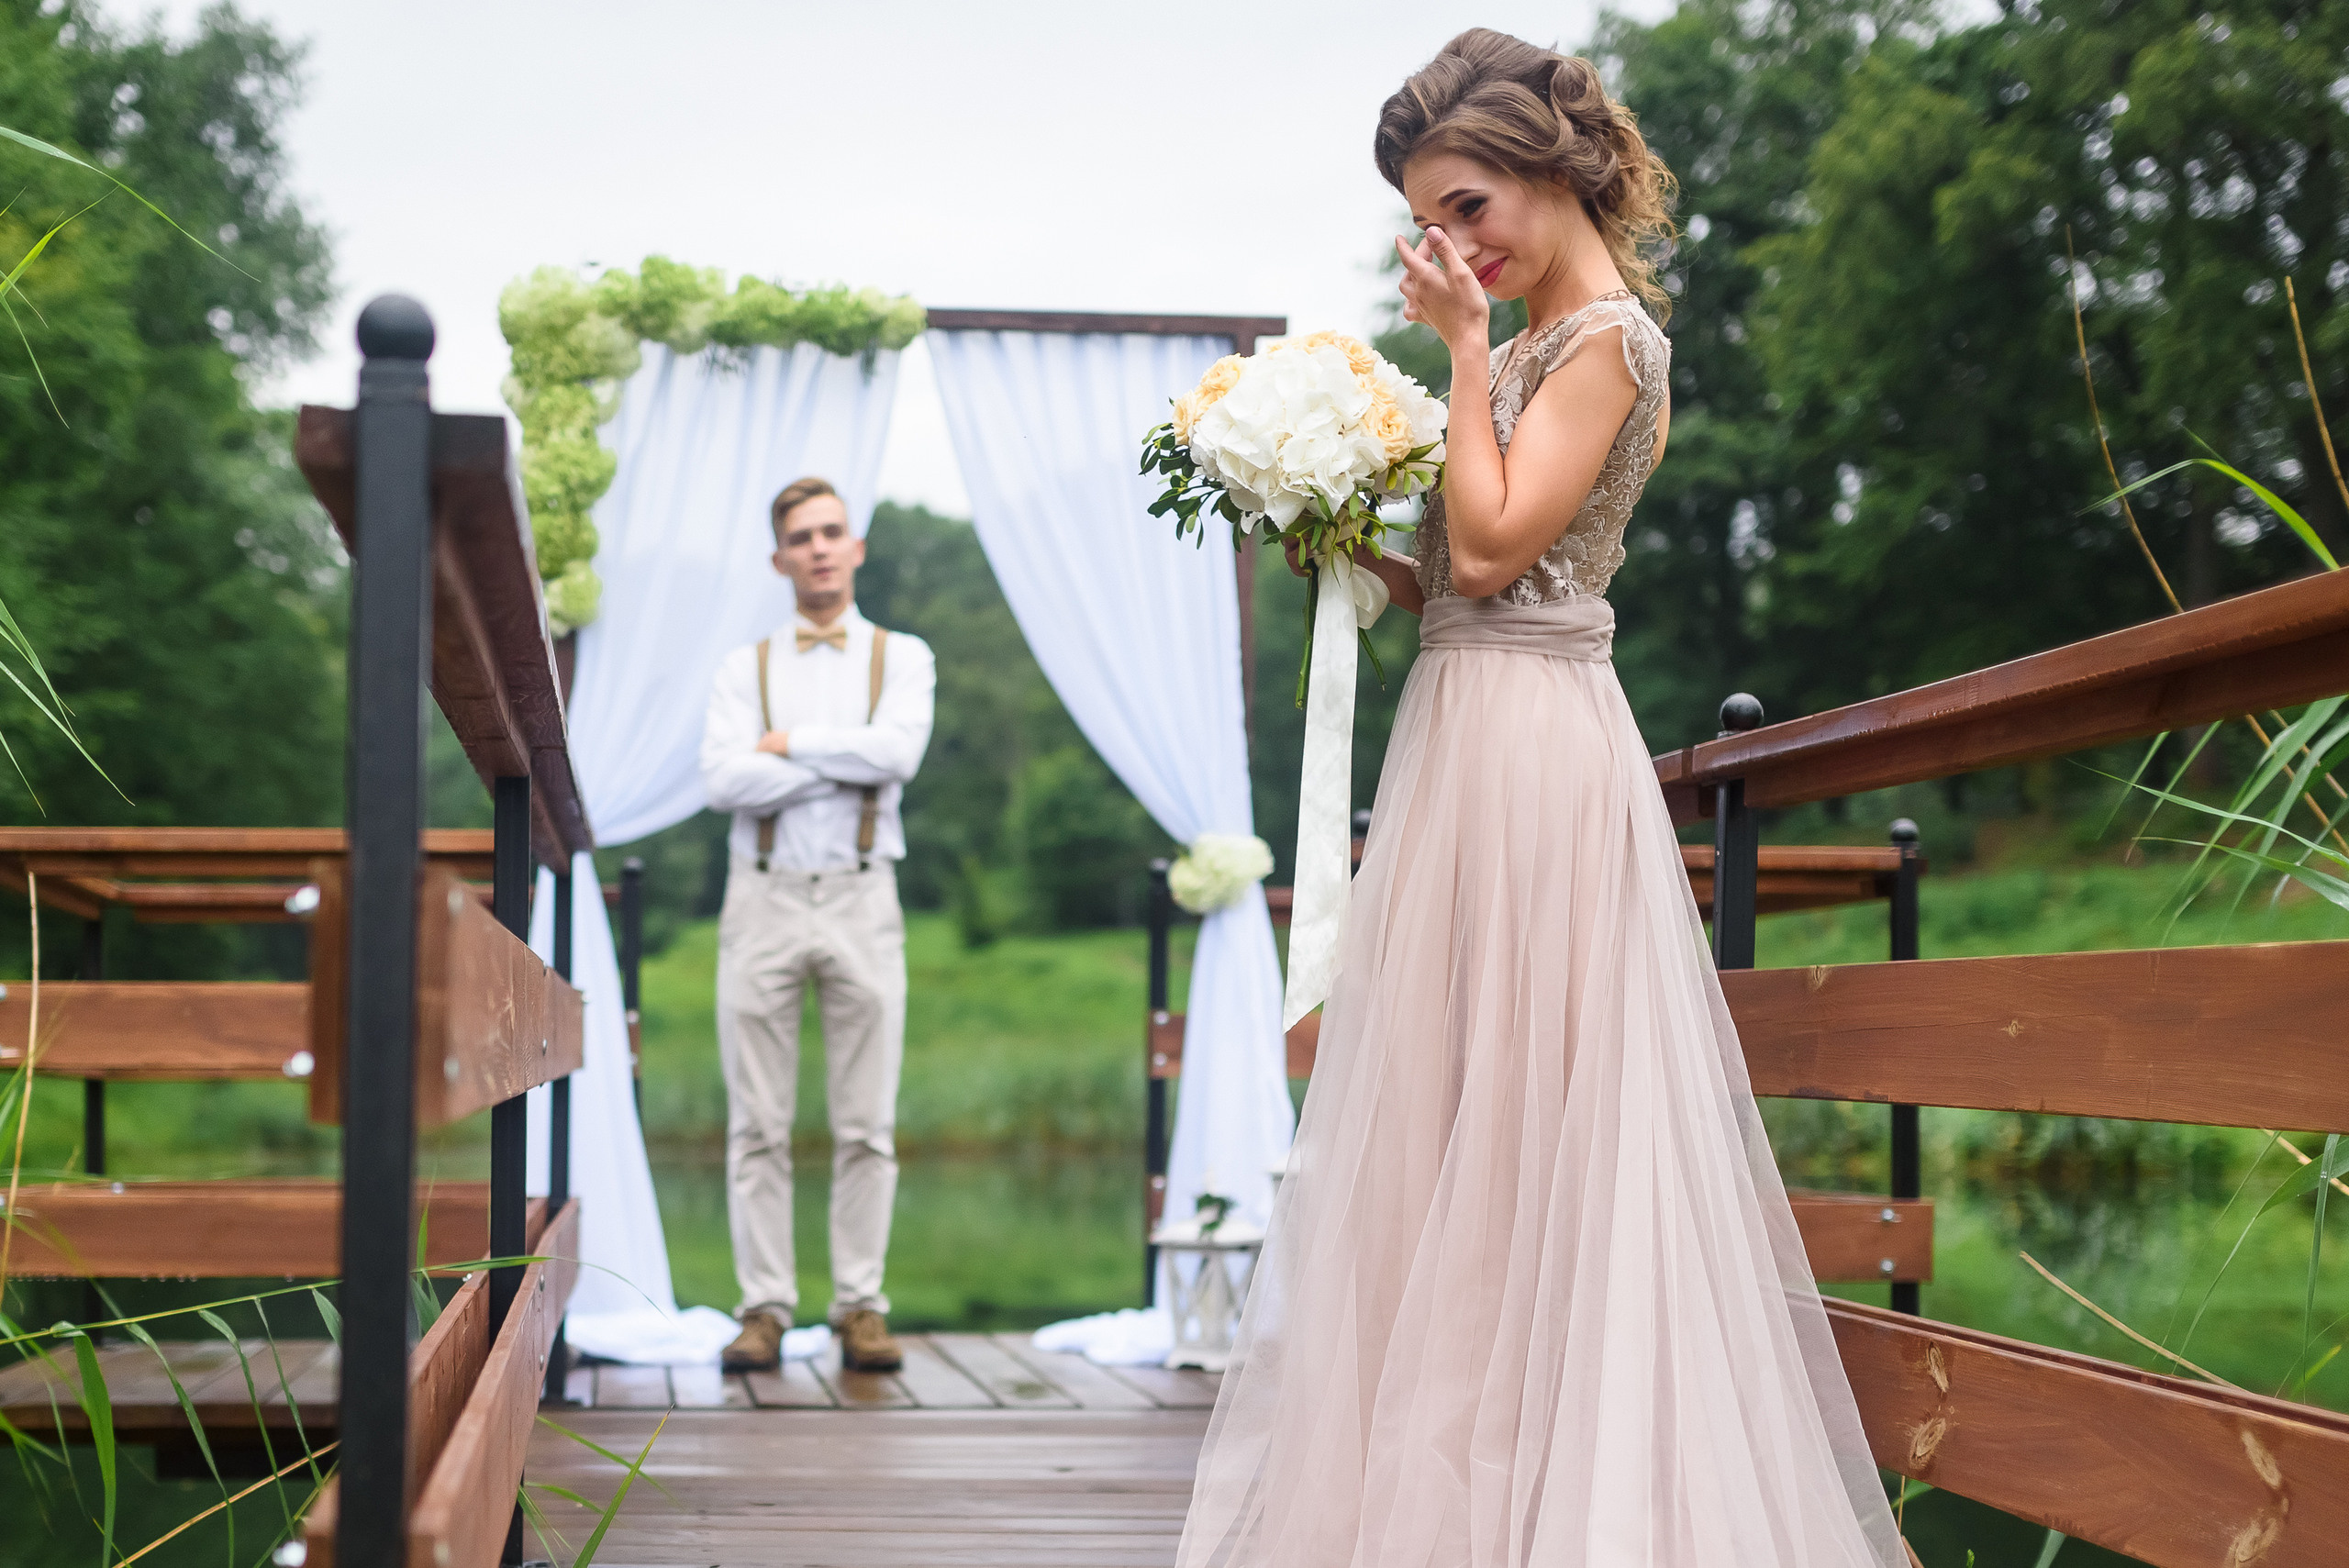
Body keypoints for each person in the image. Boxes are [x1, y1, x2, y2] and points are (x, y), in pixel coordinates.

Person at [1175, 31, 1910, 1568]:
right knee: (1453, 1104)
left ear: (1550, 166)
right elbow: (1449, 569)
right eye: (1428, 224)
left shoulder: (1606, 342)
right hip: (1454, 738)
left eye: (1467, 207)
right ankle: (1448, 1492)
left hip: (1538, 748)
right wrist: (1327, 521)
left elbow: (1504, 544)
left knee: (1541, 1104)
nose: (1453, 247)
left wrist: (1453, 351)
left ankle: (1572, 1499)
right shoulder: (1516, 344)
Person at [699, 476, 936, 1374]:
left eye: (832, 532)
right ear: (780, 558)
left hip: (863, 895)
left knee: (866, 1122)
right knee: (756, 1122)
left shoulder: (902, 656)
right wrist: (847, 760)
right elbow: (724, 782)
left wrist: (788, 744)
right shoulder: (743, 667)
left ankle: (859, 1306)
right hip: (759, 897)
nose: (820, 548)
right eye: (802, 537)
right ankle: (763, 1306)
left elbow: (899, 754)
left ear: (856, 547)